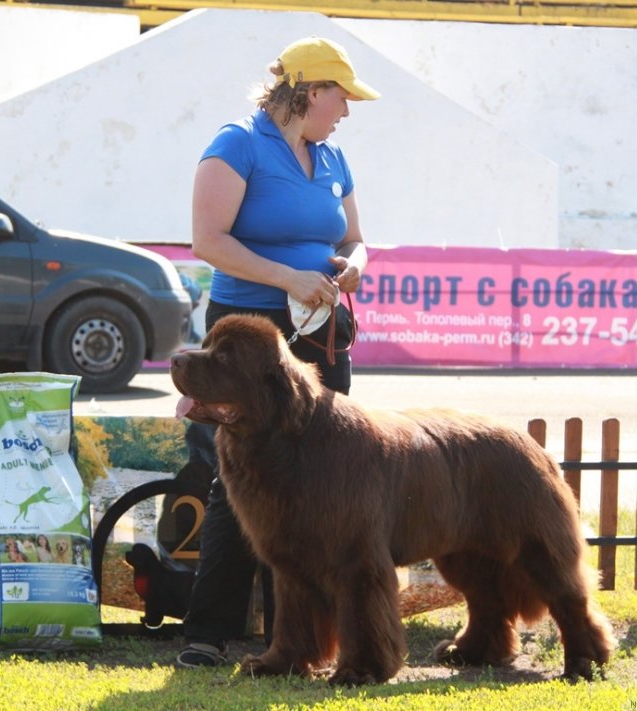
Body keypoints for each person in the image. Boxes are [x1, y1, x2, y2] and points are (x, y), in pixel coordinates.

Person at [176, 36, 379, 668]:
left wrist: (354, 264)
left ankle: (294, 643)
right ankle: (208, 634)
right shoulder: (236, 143)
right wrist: (288, 278)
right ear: (311, 92)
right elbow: (208, 241)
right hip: (248, 335)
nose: (346, 110)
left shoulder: (333, 154)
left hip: (320, 331)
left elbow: (355, 238)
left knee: (321, 477)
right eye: (341, 96)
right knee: (238, 476)